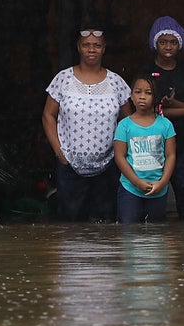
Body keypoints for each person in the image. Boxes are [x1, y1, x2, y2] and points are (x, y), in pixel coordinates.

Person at [43, 26, 131, 222]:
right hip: (70, 166)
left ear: (104, 48)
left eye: (97, 46)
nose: (91, 50)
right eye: (86, 45)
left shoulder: (117, 82)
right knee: (70, 226)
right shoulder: (63, 79)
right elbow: (48, 115)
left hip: (107, 167)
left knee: (104, 226)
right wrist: (59, 151)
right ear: (78, 47)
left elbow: (127, 122)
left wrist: (119, 154)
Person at [136, 16, 184, 220]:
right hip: (152, 145)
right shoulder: (146, 71)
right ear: (155, 44)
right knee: (152, 202)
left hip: (182, 144)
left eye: (173, 42)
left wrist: (173, 105)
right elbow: (147, 110)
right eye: (163, 41)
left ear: (179, 44)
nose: (168, 46)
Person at [113, 73, 177, 223]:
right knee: (129, 231)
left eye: (148, 93)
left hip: (158, 189)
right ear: (131, 95)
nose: (142, 96)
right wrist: (136, 181)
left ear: (156, 98)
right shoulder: (124, 125)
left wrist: (163, 182)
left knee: (156, 235)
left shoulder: (165, 125)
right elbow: (119, 156)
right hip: (130, 188)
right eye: (138, 92)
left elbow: (171, 155)